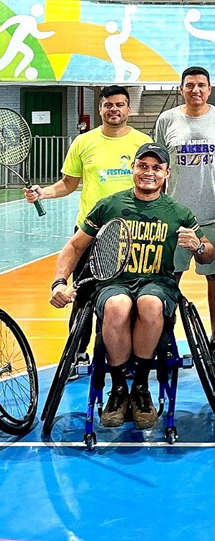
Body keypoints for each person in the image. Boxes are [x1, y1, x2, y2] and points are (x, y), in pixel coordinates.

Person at [49, 143, 215, 429]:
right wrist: (59, 283)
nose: (149, 172)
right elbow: (75, 247)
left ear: (167, 173)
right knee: (117, 305)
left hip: (157, 283)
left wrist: (198, 247)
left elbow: (208, 252)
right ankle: (118, 389)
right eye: (143, 166)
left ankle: (140, 387)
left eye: (156, 168)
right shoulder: (110, 205)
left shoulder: (178, 211)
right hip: (114, 283)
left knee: (149, 304)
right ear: (132, 168)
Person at [24, 85, 151, 378]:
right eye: (108, 105)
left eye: (119, 104)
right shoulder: (83, 142)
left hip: (133, 232)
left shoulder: (142, 142)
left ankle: (127, 355)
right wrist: (43, 193)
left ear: (128, 109)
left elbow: (153, 184)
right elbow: (68, 184)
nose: (114, 109)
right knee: (82, 296)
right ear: (100, 108)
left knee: (130, 297)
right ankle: (77, 354)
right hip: (91, 232)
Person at [154, 66, 215, 364]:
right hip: (174, 218)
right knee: (170, 280)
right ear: (181, 89)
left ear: (209, 89)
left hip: (213, 214)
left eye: (201, 85)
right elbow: (158, 166)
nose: (196, 90)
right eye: (190, 85)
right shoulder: (167, 120)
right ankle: (165, 339)